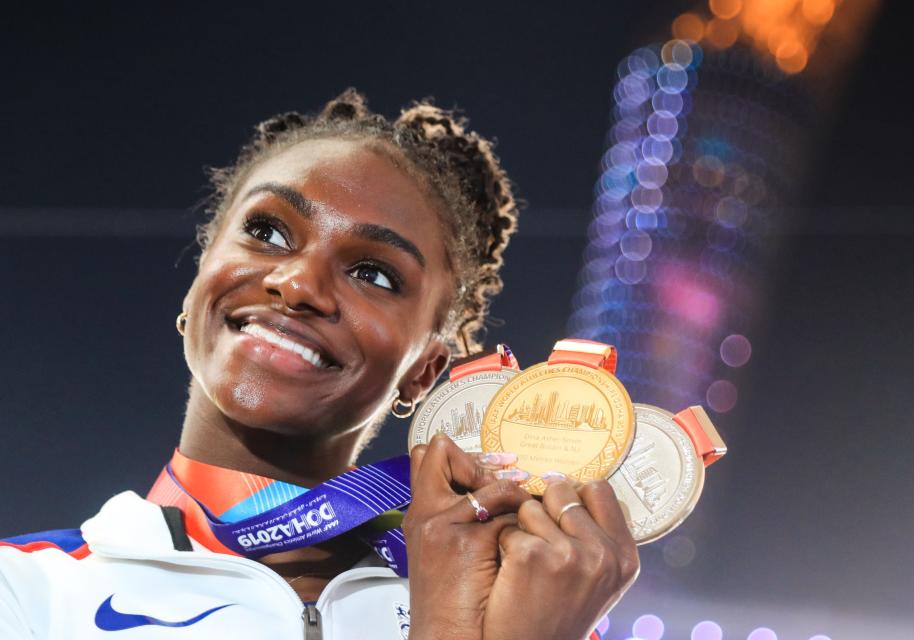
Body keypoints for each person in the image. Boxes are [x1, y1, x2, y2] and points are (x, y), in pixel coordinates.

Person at [0, 89, 640, 639]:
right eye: (269, 232)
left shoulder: (525, 601)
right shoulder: (29, 589)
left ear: (423, 370)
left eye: (374, 274)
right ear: (202, 276)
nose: (298, 282)